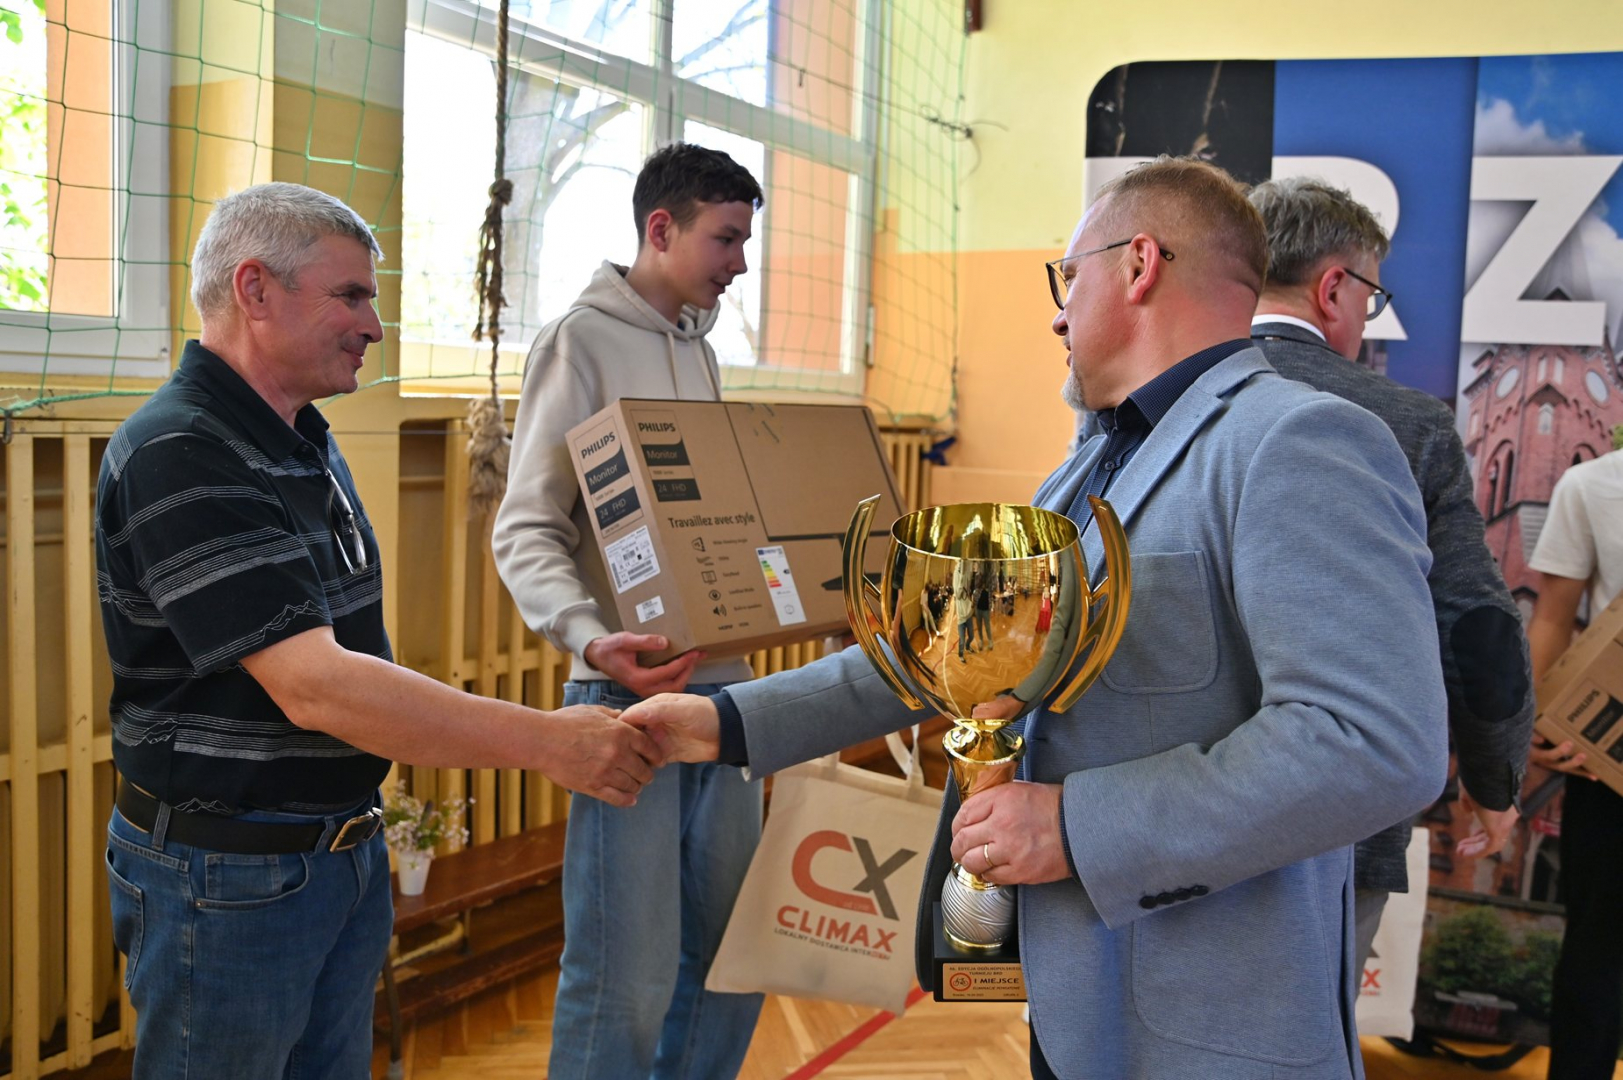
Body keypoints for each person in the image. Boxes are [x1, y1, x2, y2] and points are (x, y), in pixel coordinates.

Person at [626, 157, 1449, 1080]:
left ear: (1138, 264)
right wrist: (725, 722)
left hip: (1206, 1027)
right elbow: (952, 655)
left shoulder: (1298, 440)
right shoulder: (1092, 460)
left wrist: (1074, 828)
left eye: (1068, 277)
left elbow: (1373, 743)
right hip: (1077, 999)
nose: (1058, 315)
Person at [96, 182, 660, 1080]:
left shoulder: (301, 438)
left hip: (335, 857)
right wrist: (550, 743)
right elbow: (316, 686)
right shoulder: (180, 450)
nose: (374, 325)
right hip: (231, 876)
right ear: (254, 289)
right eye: (351, 296)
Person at [490, 142, 766, 1080]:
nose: (739, 263)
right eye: (725, 239)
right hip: (625, 702)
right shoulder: (580, 341)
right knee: (628, 976)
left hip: (725, 698)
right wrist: (589, 636)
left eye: (744, 242)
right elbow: (525, 526)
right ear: (660, 228)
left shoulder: (703, 347)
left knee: (731, 956)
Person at [1247, 176, 1535, 968]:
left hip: (1145, 812)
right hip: (1335, 822)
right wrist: (1494, 781)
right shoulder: (1407, 425)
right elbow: (1476, 627)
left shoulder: (1145, 399)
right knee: (1301, 1028)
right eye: (1368, 296)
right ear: (1331, 288)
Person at [1524, 428, 1623, 1080]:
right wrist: (1536, 726)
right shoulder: (1593, 486)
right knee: (1596, 950)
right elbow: (1553, 616)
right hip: (1609, 765)